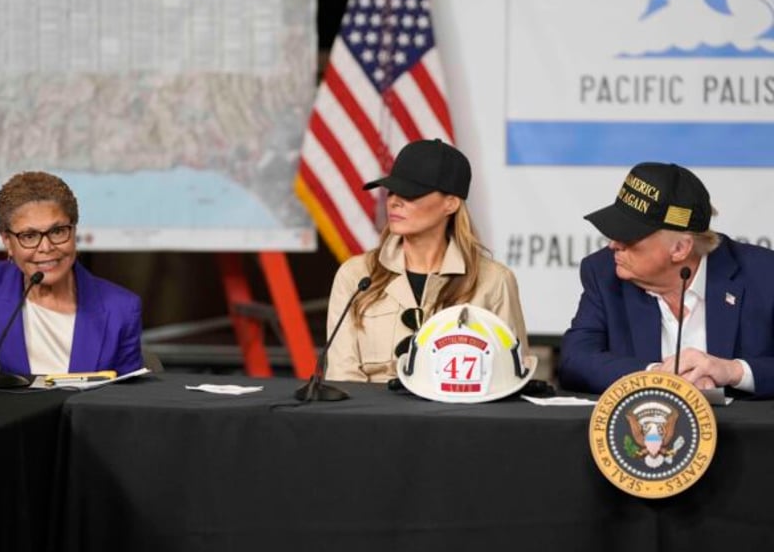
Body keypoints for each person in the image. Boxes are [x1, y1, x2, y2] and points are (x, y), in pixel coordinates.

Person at [560, 161, 774, 397]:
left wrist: (733, 371)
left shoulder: (764, 275)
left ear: (680, 249)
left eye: (628, 236)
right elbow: (575, 361)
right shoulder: (603, 272)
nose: (614, 245)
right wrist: (656, 375)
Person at [325, 138, 531, 383]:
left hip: (458, 418)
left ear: (451, 203)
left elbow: (512, 376)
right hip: (371, 419)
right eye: (391, 190)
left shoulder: (495, 281)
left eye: (410, 193)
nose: (394, 201)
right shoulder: (355, 274)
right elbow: (342, 376)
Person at [0, 171, 143, 376]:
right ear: (7, 242)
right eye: (29, 236)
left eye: (58, 232)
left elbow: (126, 400)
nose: (46, 247)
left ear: (74, 231)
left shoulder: (121, 308)